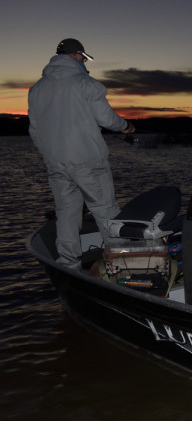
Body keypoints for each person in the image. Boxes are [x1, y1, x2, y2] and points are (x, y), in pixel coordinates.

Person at [28, 38, 136, 271]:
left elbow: (35, 130)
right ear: (76, 56)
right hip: (87, 161)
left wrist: (49, 154)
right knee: (105, 210)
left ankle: (68, 264)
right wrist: (126, 126)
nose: (84, 62)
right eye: (83, 58)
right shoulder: (86, 83)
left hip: (56, 163)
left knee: (66, 212)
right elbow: (107, 119)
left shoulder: (36, 89)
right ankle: (123, 264)